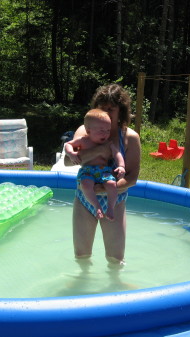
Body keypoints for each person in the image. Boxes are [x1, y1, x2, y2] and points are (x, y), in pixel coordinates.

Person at [65, 84, 141, 264]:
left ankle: (115, 286)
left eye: (110, 109)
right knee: (81, 255)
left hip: (114, 200)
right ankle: (81, 285)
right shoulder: (85, 132)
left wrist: (106, 189)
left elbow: (132, 177)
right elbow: (68, 162)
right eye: (102, 108)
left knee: (115, 258)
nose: (105, 112)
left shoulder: (129, 137)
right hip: (85, 198)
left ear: (120, 112)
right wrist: (99, 151)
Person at [64, 109, 126, 221]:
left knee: (112, 184)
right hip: (87, 170)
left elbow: (117, 153)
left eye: (107, 130)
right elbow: (68, 144)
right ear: (88, 131)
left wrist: (121, 166)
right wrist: (71, 153)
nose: (105, 134)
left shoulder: (108, 143)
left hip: (103, 170)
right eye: (101, 130)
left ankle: (110, 208)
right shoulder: (83, 141)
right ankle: (97, 206)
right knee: (85, 184)